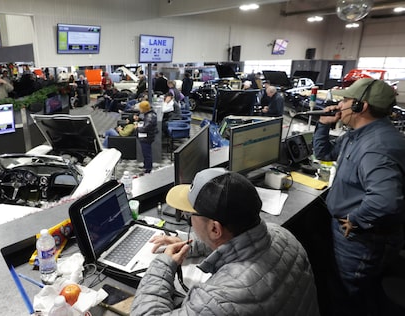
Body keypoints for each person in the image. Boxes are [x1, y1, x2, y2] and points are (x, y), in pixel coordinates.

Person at [131, 167, 320, 316]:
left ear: (215, 229)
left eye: (190, 215)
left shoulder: (219, 300)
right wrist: (190, 244)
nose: (189, 219)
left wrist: (162, 266)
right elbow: (242, 241)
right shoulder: (281, 234)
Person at [312, 78, 405, 316]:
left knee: (349, 293)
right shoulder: (359, 134)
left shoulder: (375, 146)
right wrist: (323, 124)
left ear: (359, 107)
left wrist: (355, 219)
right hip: (356, 232)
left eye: (345, 100)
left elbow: (386, 200)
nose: (340, 104)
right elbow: (325, 153)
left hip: (360, 238)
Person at [135, 101, 157, 174]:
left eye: (141, 108)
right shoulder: (149, 114)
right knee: (145, 153)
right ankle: (146, 165)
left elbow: (145, 128)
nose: (140, 110)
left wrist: (137, 128)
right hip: (147, 136)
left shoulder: (150, 117)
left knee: (147, 154)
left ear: (144, 109)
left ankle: (148, 169)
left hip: (147, 137)